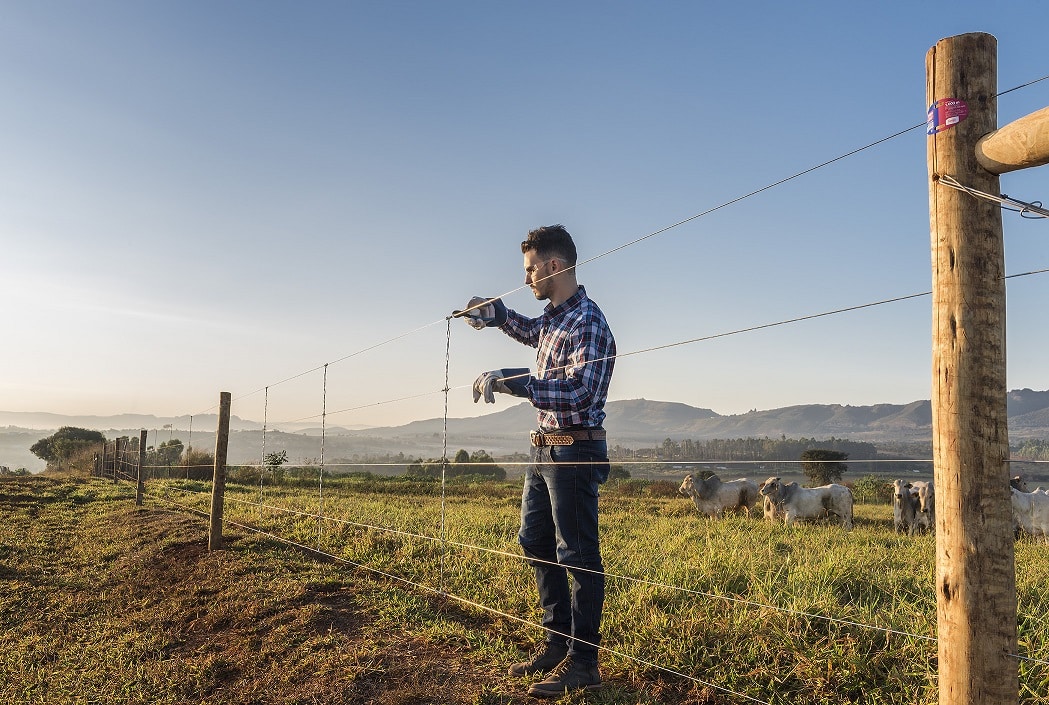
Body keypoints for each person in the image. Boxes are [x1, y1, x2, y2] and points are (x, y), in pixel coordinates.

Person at [458, 224, 616, 697]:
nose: (526, 278)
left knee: (579, 554)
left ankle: (583, 663)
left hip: (574, 451)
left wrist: (516, 383)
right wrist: (496, 313)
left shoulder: (589, 321)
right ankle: (555, 643)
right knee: (534, 540)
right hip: (543, 449)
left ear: (553, 265)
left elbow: (580, 389)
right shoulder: (555, 319)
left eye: (530, 269)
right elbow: (530, 331)